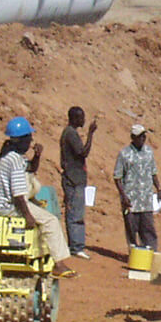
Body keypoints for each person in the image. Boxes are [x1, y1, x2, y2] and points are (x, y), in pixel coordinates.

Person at [0, 117, 75, 278]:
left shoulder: (9, 157)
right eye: (29, 138)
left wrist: (37, 156)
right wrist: (28, 216)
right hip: (9, 206)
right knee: (51, 221)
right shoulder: (14, 161)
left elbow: (31, 169)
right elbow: (18, 195)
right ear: (21, 140)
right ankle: (59, 264)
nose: (30, 142)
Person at [114, 124, 161, 252]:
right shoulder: (124, 154)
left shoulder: (149, 152)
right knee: (132, 230)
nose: (143, 138)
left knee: (148, 229)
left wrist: (159, 190)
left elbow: (153, 173)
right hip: (131, 200)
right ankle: (134, 255)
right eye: (140, 136)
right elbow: (117, 178)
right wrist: (124, 196)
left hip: (146, 200)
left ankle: (151, 254)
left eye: (144, 136)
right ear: (133, 137)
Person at [58, 107, 97, 259]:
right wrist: (91, 134)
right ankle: (76, 246)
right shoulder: (71, 134)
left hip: (75, 178)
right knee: (76, 213)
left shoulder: (69, 133)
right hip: (73, 179)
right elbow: (83, 152)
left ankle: (75, 244)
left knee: (75, 211)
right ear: (74, 118)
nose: (83, 120)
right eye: (81, 118)